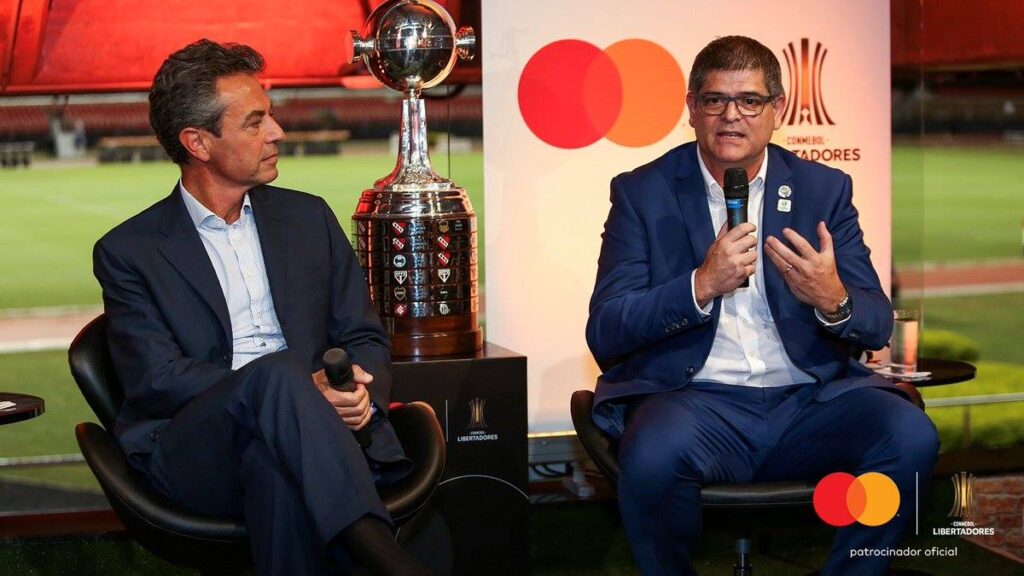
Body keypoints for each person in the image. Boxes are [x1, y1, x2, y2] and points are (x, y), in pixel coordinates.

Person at [585, 36, 939, 576]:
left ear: (777, 109)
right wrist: (700, 285)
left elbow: (874, 322)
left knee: (910, 437)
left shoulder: (823, 190)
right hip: (695, 403)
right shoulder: (643, 192)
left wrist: (834, 299)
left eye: (750, 100)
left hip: (810, 401)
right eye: (715, 100)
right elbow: (607, 329)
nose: (731, 115)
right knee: (652, 456)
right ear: (691, 108)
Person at [93, 39, 428, 576]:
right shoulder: (129, 251)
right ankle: (386, 557)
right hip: (199, 451)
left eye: (270, 116)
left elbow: (363, 335)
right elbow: (156, 379)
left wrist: (357, 396)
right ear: (197, 143)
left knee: (274, 467)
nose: (277, 132)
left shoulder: (309, 219)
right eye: (254, 122)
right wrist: (294, 389)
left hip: (315, 438)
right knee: (276, 375)